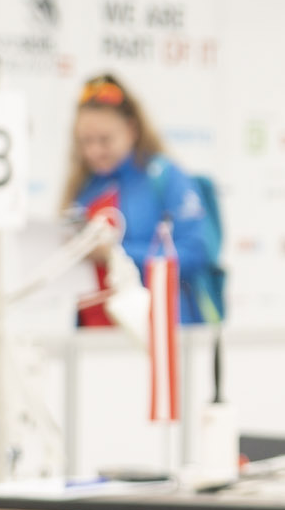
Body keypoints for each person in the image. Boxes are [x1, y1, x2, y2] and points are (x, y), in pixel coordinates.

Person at [63, 72, 219, 326]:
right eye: (85, 141)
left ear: (132, 130)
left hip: (157, 331)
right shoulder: (83, 188)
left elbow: (196, 252)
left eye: (104, 140)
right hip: (94, 337)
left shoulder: (165, 178)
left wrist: (116, 253)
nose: (94, 151)